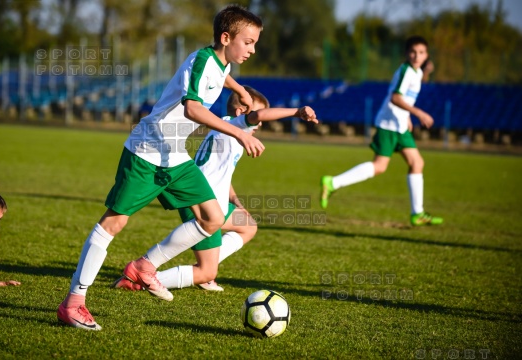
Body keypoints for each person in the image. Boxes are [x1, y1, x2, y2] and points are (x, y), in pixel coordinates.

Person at [57, 4, 264, 331]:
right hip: (147, 150)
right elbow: (193, 108)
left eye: (255, 43)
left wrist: (238, 89)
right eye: (248, 42)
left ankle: (143, 267)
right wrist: (238, 131)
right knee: (114, 222)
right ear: (226, 38)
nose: (253, 49)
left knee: (212, 218)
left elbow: (219, 77)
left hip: (175, 154)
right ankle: (73, 302)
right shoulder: (201, 60)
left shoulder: (217, 63)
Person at [113, 86, 317, 293]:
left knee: (248, 226)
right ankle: (139, 281)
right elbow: (259, 115)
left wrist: (236, 202)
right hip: (203, 204)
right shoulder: (236, 125)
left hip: (211, 200)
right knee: (207, 272)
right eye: (256, 116)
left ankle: (201, 268)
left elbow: (221, 173)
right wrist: (296, 111)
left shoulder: (224, 129)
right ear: (241, 112)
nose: (260, 123)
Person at [320, 35, 442, 226]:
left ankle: (417, 213)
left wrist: (407, 116)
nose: (417, 55)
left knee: (417, 162)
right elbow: (395, 97)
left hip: (400, 125)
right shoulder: (406, 71)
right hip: (389, 124)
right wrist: (419, 113)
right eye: (413, 52)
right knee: (380, 166)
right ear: (406, 53)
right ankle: (333, 182)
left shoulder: (416, 72)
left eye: (421, 52)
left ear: (426, 55)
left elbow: (406, 98)